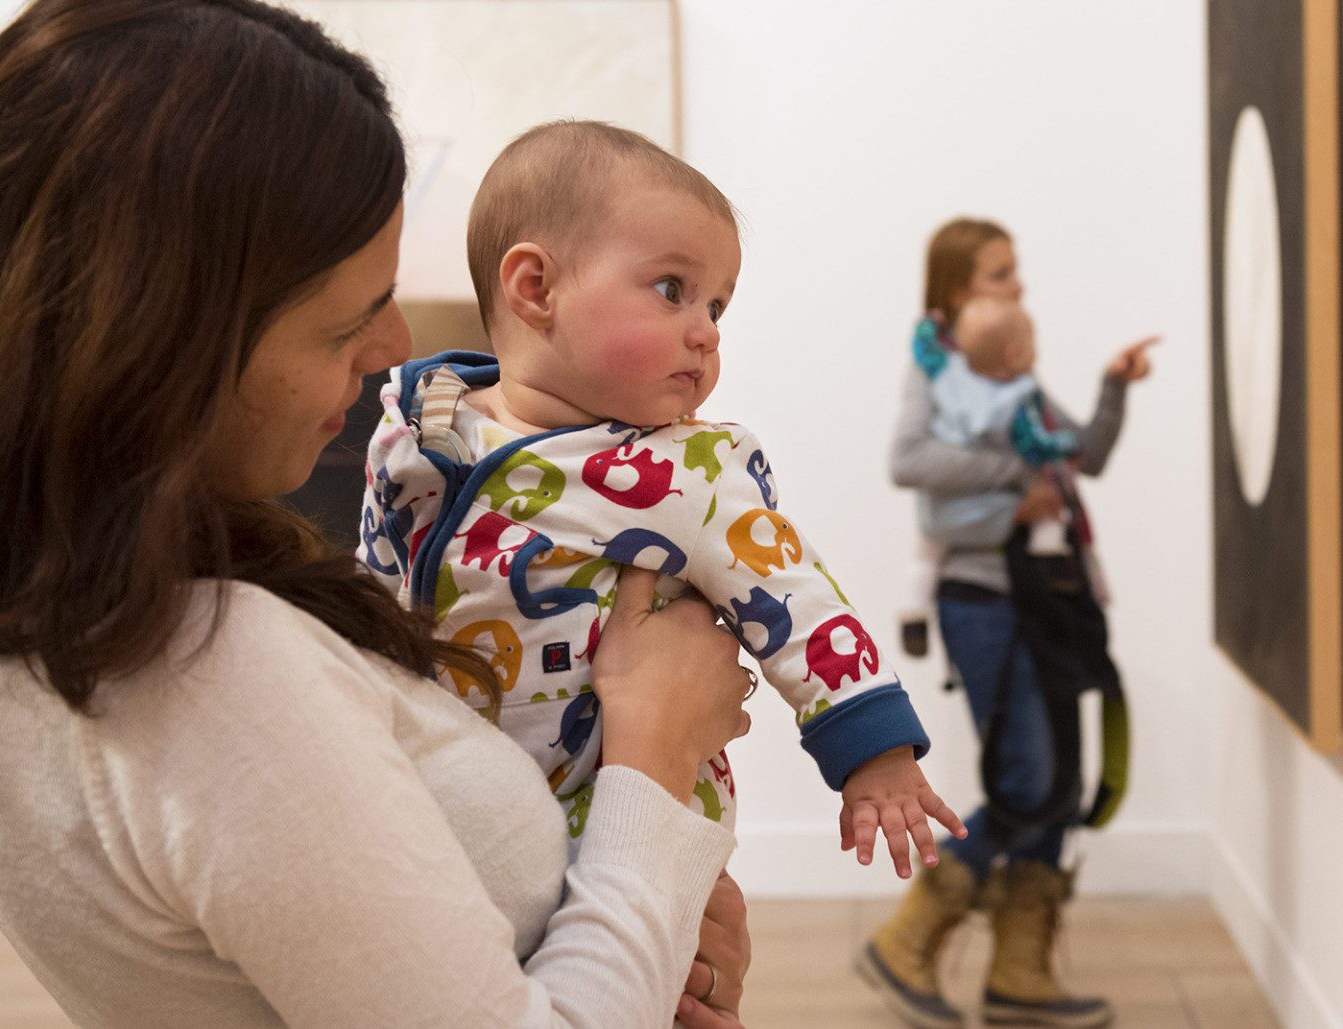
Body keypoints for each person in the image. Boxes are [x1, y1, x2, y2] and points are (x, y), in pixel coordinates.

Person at [0, 2, 757, 1026]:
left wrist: (642, 928)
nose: (393, 347)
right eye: (345, 319)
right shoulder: (207, 674)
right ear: (163, 336)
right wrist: (653, 769)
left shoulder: (7, 604)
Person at [359, 120, 966, 880]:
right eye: (673, 291)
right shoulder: (417, 428)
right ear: (536, 288)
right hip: (445, 807)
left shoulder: (687, 470)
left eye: (717, 307)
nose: (706, 333)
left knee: (644, 989)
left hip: (616, 813)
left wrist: (876, 751)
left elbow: (799, 600)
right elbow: (371, 577)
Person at [860, 217, 1156, 1028]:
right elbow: (909, 461)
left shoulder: (1012, 378)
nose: (1018, 285)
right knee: (1029, 778)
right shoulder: (939, 371)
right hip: (982, 601)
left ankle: (1020, 976)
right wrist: (1014, 479)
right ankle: (907, 936)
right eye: (1001, 274)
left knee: (1057, 786)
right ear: (958, 292)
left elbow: (1081, 454)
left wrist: (1113, 385)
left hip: (1047, 599)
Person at [895, 296, 1080, 658]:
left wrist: (925, 328)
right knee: (1049, 505)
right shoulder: (1020, 394)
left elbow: (924, 351)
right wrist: (1062, 444)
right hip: (1003, 504)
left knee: (926, 553)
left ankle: (913, 614)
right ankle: (1049, 554)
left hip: (945, 501)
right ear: (1014, 354)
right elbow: (1035, 443)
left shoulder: (947, 378)